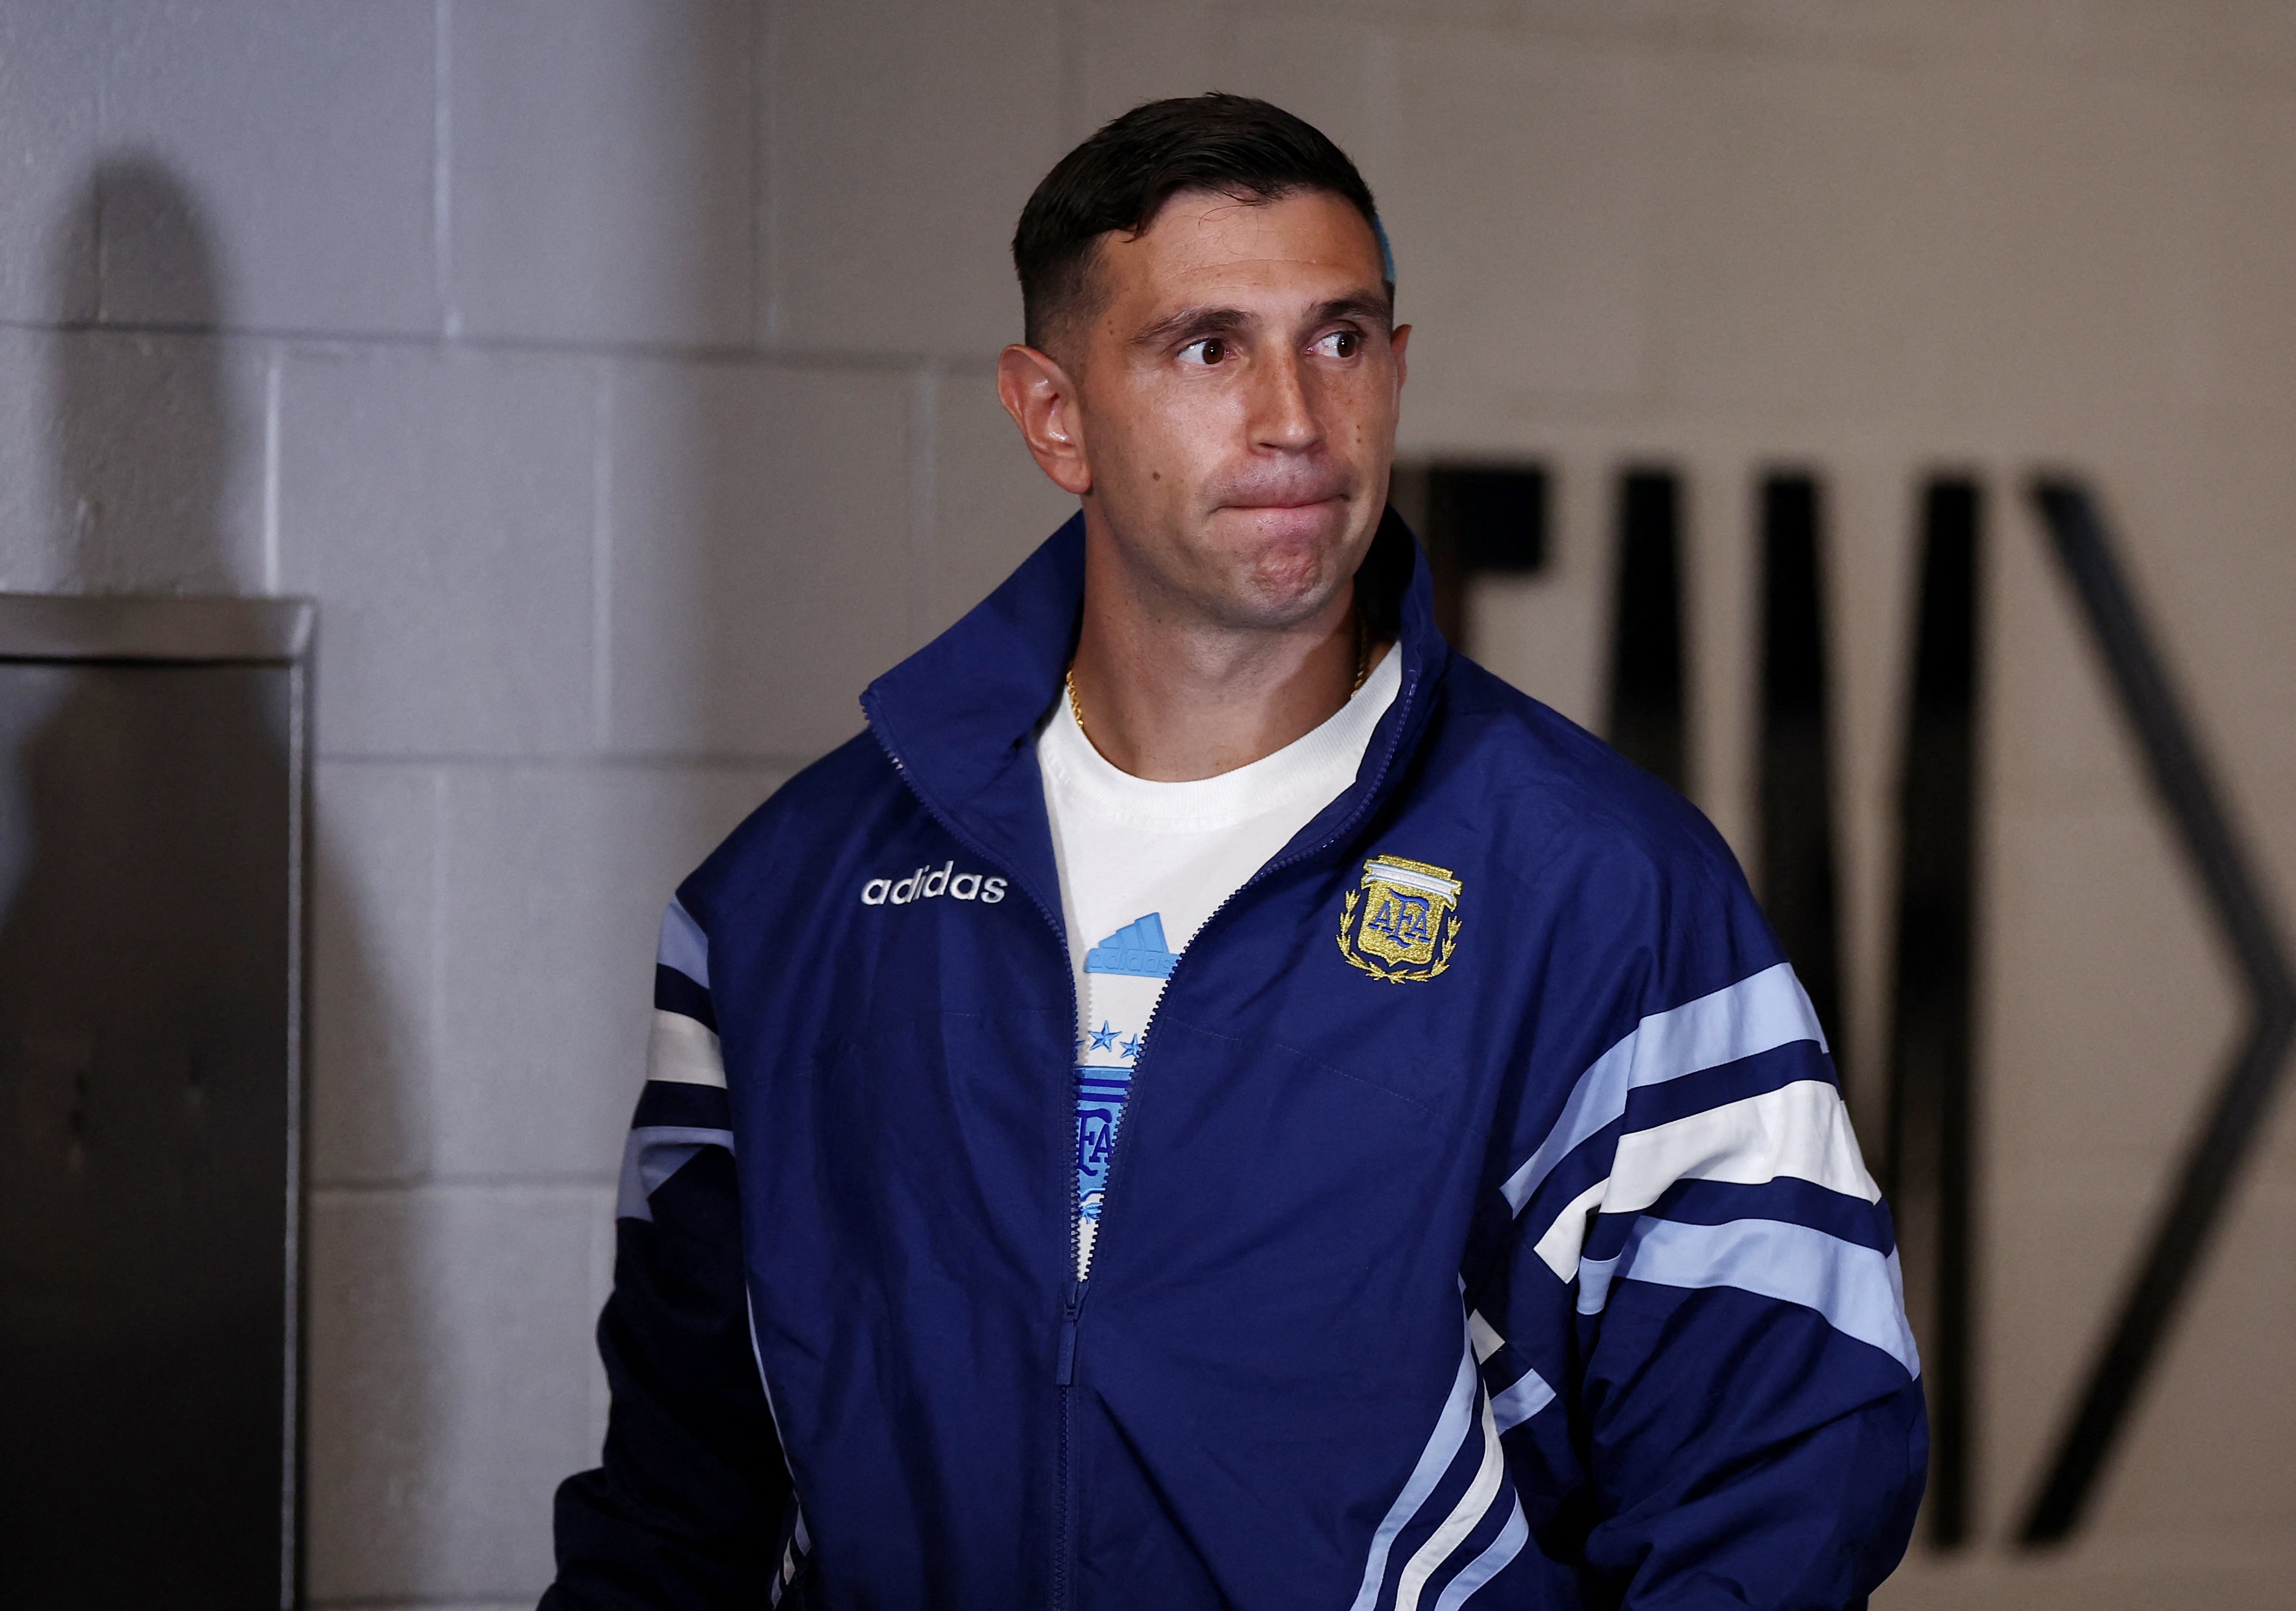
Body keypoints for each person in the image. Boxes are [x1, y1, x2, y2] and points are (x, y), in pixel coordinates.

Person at [542, 94, 1925, 1610]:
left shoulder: (1604, 889)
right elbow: (676, 1510)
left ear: (1398, 369)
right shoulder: (788, 905)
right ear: (1051, 413)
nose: (1294, 418)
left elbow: (1782, 1473)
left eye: (1338, 340)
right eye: (1207, 348)